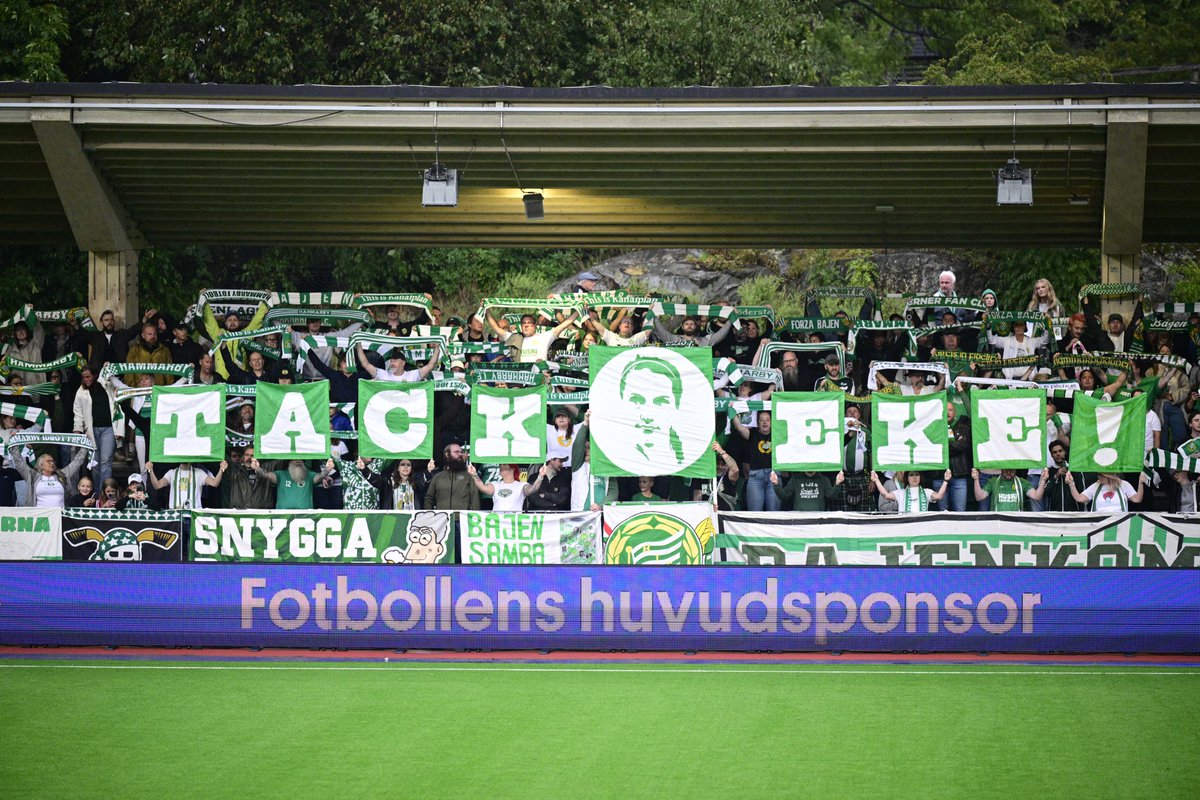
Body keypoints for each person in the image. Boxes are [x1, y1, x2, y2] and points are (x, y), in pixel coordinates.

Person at [72, 366, 117, 489]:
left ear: (95, 375)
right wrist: (77, 429)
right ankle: (97, 494)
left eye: (88, 376)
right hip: (91, 431)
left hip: (108, 428)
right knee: (95, 464)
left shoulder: (106, 385)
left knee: (106, 461)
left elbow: (117, 386)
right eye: (83, 377)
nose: (86, 379)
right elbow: (78, 412)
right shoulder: (81, 391)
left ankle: (106, 493)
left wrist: (109, 368)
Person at [7, 443, 91, 508]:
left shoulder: (62, 474)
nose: (52, 463)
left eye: (52, 461)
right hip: (39, 517)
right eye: (49, 461)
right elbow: (19, 463)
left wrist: (84, 446)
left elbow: (77, 462)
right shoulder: (32, 476)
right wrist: (14, 445)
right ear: (41, 464)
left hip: (59, 517)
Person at [730, 410, 777, 512]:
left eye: (767, 420)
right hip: (756, 478)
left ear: (772, 422)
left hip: (773, 477)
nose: (765, 422)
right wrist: (732, 410)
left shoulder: (777, 434)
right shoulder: (752, 433)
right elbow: (738, 426)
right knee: (754, 513)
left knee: (774, 513)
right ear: (757, 423)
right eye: (761, 420)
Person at [489, 311, 580, 363]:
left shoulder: (544, 337)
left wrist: (578, 311)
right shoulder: (515, 337)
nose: (526, 325)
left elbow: (565, 324)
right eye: (524, 323)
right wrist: (486, 310)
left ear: (535, 326)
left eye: (529, 323)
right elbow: (496, 328)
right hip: (521, 379)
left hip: (539, 379)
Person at [248, 458, 335, 510]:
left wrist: (328, 469)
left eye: (300, 459)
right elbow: (267, 475)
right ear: (289, 461)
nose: (298, 461)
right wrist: (258, 468)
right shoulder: (281, 474)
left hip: (305, 517)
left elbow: (319, 477)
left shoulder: (309, 474)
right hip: (283, 517)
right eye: (295, 458)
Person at [146, 460, 227, 510]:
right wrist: (151, 470)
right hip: (176, 515)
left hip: (193, 515)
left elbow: (214, 483)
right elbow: (157, 486)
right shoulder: (172, 473)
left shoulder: (199, 472)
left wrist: (221, 469)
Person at [424, 443, 479, 510]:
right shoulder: (437, 477)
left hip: (462, 519)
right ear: (447, 454)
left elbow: (475, 500)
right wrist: (430, 515)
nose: (460, 454)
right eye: (456, 452)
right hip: (441, 519)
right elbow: (429, 499)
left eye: (461, 452)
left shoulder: (469, 477)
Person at [871, 469, 952, 514]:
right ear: (907, 478)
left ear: (920, 478)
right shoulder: (901, 492)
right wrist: (876, 480)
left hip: (921, 525)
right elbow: (886, 495)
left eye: (917, 475)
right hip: (904, 525)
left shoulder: (926, 492)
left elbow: (939, 496)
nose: (914, 477)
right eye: (911, 475)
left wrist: (945, 480)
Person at [971, 468, 1050, 511]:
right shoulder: (993, 481)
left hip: (1015, 521)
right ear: (1001, 468)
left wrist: (1043, 480)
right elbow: (979, 497)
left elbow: (1037, 496)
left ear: (1016, 469)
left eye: (1011, 470)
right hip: (997, 521)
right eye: (1006, 469)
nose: (1008, 472)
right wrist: (976, 479)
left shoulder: (1022, 482)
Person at [355, 341, 440, 382]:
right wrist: (359, 345)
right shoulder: (383, 375)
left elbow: (430, 365)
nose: (392, 363)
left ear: (403, 363)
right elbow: (365, 364)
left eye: (395, 361)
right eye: (391, 361)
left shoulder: (412, 375)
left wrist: (437, 349)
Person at [1068, 471, 1147, 512]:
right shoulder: (1095, 486)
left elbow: (1137, 499)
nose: (1098, 476)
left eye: (1101, 475)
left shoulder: (1124, 485)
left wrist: (1140, 483)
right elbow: (1079, 498)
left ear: (1109, 476)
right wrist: (1071, 484)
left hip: (1120, 523)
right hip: (1099, 524)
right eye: (1098, 474)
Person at [468, 462, 532, 512]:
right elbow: (483, 488)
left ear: (512, 469)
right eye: (500, 465)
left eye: (504, 465)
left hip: (514, 524)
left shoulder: (521, 485)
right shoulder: (495, 484)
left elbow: (533, 489)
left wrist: (540, 476)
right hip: (498, 524)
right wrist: (474, 475)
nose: (501, 467)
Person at [770, 469, 843, 511]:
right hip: (800, 519)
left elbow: (832, 495)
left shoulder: (823, 479)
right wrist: (776, 484)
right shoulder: (795, 479)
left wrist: (837, 483)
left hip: (818, 519)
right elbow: (784, 496)